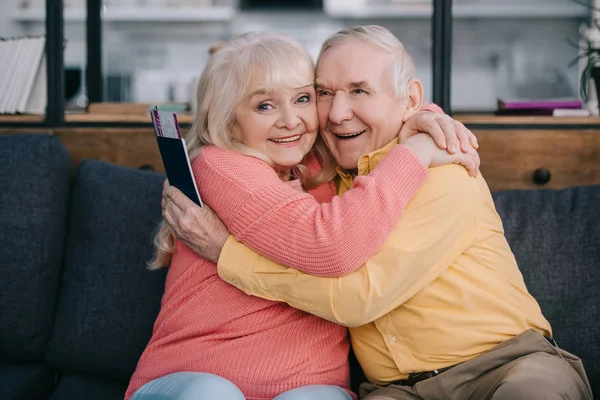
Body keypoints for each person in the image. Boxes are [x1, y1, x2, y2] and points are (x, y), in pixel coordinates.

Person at [164, 26, 593, 400]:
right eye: (326, 93)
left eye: (359, 91)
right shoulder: (329, 175)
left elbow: (357, 298)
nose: (335, 113)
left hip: (503, 364)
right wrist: (424, 127)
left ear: (409, 98)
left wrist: (227, 252)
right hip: (396, 389)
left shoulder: (444, 172)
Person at [126, 31, 479, 400]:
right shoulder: (219, 165)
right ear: (228, 120)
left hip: (310, 385)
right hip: (192, 377)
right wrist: (417, 153)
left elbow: (382, 120)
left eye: (303, 99)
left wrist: (428, 120)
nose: (290, 120)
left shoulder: (320, 159)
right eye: (265, 106)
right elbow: (331, 246)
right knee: (211, 393)